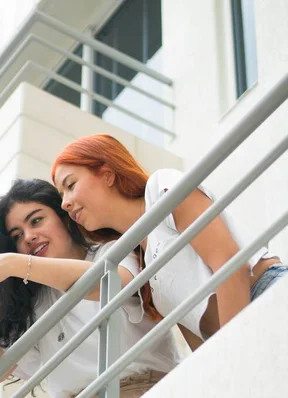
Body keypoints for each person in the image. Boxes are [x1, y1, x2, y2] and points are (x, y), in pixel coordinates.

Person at [0, 179, 183, 398]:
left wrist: (12, 263)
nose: (28, 237)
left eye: (36, 221)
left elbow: (108, 284)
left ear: (64, 217)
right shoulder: (36, 303)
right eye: (16, 236)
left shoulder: (111, 252)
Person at [52, 134, 287, 350]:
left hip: (265, 299)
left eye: (70, 185)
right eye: (62, 195)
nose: (65, 203)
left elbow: (231, 266)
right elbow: (198, 337)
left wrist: (234, 356)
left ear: (107, 174)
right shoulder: (141, 265)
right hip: (236, 339)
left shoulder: (160, 189)